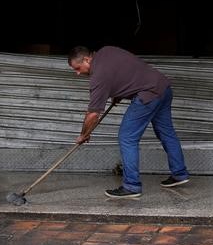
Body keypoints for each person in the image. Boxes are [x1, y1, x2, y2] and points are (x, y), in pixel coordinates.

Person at [67, 45, 190, 198]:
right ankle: (179, 173)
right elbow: (126, 71)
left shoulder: (98, 76)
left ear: (87, 59)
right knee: (166, 132)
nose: (78, 73)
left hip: (148, 95)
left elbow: (92, 115)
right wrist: (119, 92)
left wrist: (84, 134)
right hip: (163, 88)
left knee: (127, 137)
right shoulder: (106, 51)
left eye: (78, 68)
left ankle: (131, 186)